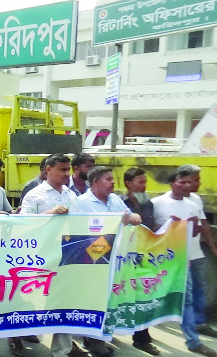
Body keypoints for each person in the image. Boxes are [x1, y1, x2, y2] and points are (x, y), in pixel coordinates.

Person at [20, 153, 87, 357]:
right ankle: (20, 335)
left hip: (67, 255)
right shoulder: (35, 195)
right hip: (41, 256)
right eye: (63, 170)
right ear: (48, 170)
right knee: (38, 301)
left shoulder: (70, 194)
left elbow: (79, 224)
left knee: (64, 301)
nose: (67, 174)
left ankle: (62, 349)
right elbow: (23, 225)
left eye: (68, 170)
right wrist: (50, 213)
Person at [151, 167, 217, 357]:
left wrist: (194, 224)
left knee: (187, 298)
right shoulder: (158, 203)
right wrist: (168, 225)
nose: (187, 186)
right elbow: (150, 232)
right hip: (165, 260)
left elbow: (195, 232)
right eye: (183, 182)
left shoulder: (192, 204)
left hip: (185, 259)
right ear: (173, 182)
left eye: (190, 182)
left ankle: (193, 341)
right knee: (158, 294)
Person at [77, 166, 141, 357]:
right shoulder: (81, 202)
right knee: (93, 300)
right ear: (95, 182)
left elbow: (136, 218)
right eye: (108, 179)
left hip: (116, 257)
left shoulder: (115, 200)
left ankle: (100, 336)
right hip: (92, 257)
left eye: (113, 179)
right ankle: (92, 340)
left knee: (109, 299)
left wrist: (130, 218)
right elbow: (77, 232)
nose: (113, 182)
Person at [177, 165, 217, 342]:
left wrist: (214, 248)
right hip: (177, 255)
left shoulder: (196, 200)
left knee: (200, 289)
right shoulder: (163, 202)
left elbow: (204, 225)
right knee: (181, 291)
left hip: (196, 253)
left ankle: (199, 323)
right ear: (182, 181)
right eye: (196, 180)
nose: (199, 183)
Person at [121, 167, 159, 355]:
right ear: (128, 184)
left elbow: (152, 229)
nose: (144, 186)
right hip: (123, 259)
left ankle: (142, 339)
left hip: (144, 259)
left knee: (143, 298)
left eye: (145, 182)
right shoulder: (119, 203)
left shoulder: (148, 204)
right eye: (140, 182)